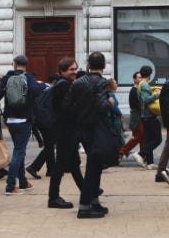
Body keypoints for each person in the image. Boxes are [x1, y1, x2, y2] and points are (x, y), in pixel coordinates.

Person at [66, 51, 112, 219]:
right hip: (96, 129)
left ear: (88, 65)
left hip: (81, 129)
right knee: (93, 168)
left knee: (96, 165)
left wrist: (80, 115)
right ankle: (84, 206)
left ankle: (94, 202)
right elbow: (101, 106)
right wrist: (109, 103)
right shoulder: (101, 82)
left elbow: (67, 104)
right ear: (104, 66)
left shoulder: (78, 82)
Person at [0, 54, 45, 195]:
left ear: (14, 64)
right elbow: (37, 92)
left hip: (10, 120)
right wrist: (41, 84)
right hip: (24, 120)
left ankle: (23, 182)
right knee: (18, 152)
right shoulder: (29, 77)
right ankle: (10, 186)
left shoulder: (7, 78)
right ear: (26, 65)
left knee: (20, 151)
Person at [47, 58, 84, 209]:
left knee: (74, 164)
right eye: (71, 70)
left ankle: (87, 191)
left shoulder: (66, 84)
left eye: (75, 69)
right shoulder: (63, 85)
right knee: (60, 165)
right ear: (62, 71)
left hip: (67, 130)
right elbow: (65, 110)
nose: (74, 72)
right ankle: (53, 198)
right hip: (65, 131)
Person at [132, 65, 161, 169]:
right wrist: (158, 95)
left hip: (145, 116)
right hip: (149, 116)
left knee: (149, 140)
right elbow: (146, 100)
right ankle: (140, 154)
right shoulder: (144, 85)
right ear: (150, 74)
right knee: (157, 139)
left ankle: (150, 162)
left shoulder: (142, 84)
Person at [119, 72, 145, 159]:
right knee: (138, 137)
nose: (140, 79)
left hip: (141, 116)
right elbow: (135, 105)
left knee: (142, 138)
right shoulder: (134, 91)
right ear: (134, 79)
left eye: (141, 77)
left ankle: (143, 156)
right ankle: (122, 151)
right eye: (138, 77)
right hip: (137, 117)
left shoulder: (140, 90)